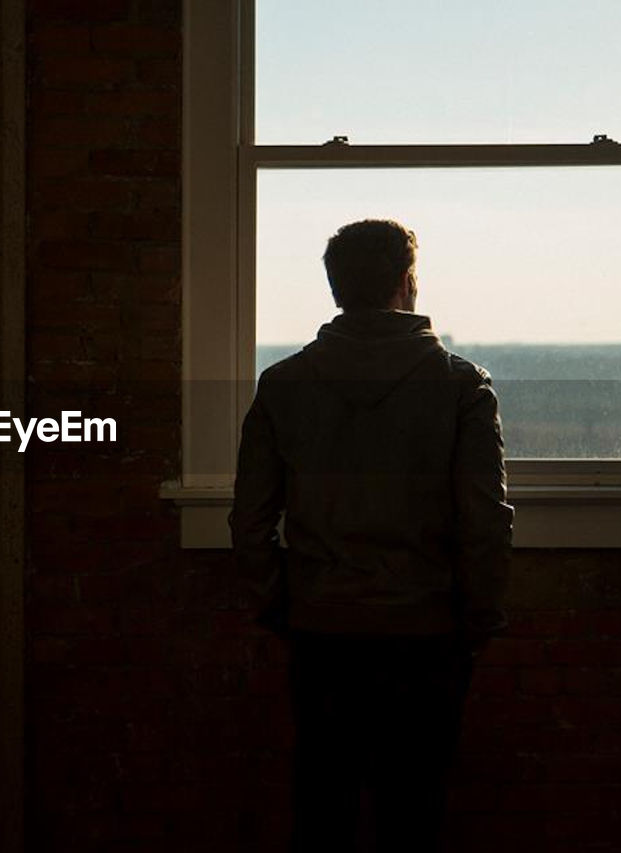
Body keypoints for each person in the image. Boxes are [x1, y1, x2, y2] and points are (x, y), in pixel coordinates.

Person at [229, 219, 514, 851]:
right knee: (413, 812)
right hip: (426, 629)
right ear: (407, 283)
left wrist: (279, 603)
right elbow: (485, 520)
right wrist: (479, 618)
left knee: (322, 805)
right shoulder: (463, 386)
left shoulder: (282, 385)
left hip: (322, 625)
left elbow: (249, 519)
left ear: (335, 290)